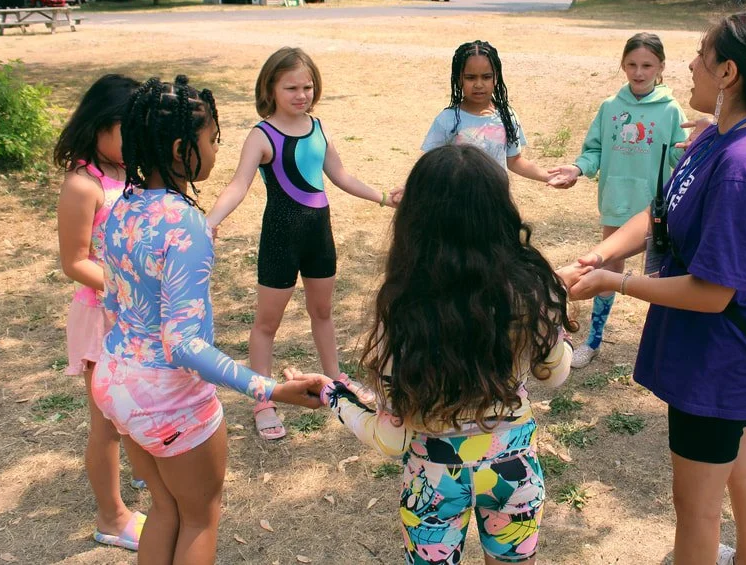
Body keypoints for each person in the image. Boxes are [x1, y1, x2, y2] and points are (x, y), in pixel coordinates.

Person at [559, 12, 746, 565]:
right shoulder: (717, 138)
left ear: (728, 72)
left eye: (702, 55)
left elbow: (713, 293)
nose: (689, 64)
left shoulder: (742, 165)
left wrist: (619, 282)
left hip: (721, 364)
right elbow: (662, 213)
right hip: (732, 359)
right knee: (745, 462)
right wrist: (600, 254)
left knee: (697, 512)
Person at [93, 76, 330, 564]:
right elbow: (182, 344)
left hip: (118, 383)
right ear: (183, 149)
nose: (218, 150)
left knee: (164, 509)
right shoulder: (185, 224)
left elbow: (114, 304)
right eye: (213, 140)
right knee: (199, 516)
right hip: (169, 399)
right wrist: (268, 389)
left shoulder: (120, 208)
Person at [323, 144, 576, 565]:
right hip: (513, 469)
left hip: (433, 481)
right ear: (500, 211)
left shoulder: (401, 309)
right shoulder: (534, 290)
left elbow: (392, 438)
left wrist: (334, 398)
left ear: (414, 220)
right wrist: (556, 317)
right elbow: (553, 374)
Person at [206, 47, 396, 440]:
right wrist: (209, 221)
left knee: (322, 311)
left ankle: (334, 377)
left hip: (318, 235)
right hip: (280, 238)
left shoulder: (317, 128)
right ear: (270, 89)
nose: (301, 95)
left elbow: (341, 176)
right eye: (291, 87)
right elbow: (238, 185)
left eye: (307, 86)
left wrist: (383, 197)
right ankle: (263, 398)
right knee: (266, 322)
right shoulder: (262, 135)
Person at [548, 32, 689, 368]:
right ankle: (593, 340)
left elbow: (681, 159)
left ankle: (665, 345)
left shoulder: (671, 111)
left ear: (661, 67)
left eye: (647, 65)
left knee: (662, 278)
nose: (639, 72)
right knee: (607, 270)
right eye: (632, 64)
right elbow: (594, 151)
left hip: (654, 211)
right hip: (615, 202)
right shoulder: (610, 107)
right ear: (623, 65)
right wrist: (577, 169)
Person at [54, 74, 145, 551]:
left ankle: (144, 472)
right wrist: (126, 288)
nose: (137, 140)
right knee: (106, 423)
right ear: (98, 125)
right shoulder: (83, 184)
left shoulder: (131, 173)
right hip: (102, 319)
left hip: (137, 315)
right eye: (128, 130)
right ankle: (112, 517)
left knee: (139, 402)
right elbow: (74, 262)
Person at [420, 40, 553, 182]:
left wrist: (548, 176)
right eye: (470, 77)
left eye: (486, 77)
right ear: (459, 79)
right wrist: (408, 190)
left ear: (496, 77)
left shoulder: (507, 117)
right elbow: (428, 165)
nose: (478, 84)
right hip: (456, 200)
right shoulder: (447, 119)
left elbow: (514, 161)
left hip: (496, 198)